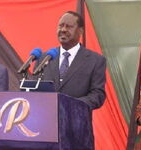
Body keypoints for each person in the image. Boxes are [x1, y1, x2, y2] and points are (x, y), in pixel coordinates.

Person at [35, 11, 106, 149]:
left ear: (80, 31)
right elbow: (35, 90)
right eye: (60, 26)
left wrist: (71, 105)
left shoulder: (95, 60)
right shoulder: (45, 58)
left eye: (69, 26)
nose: (63, 30)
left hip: (77, 133)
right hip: (44, 132)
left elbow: (98, 95)